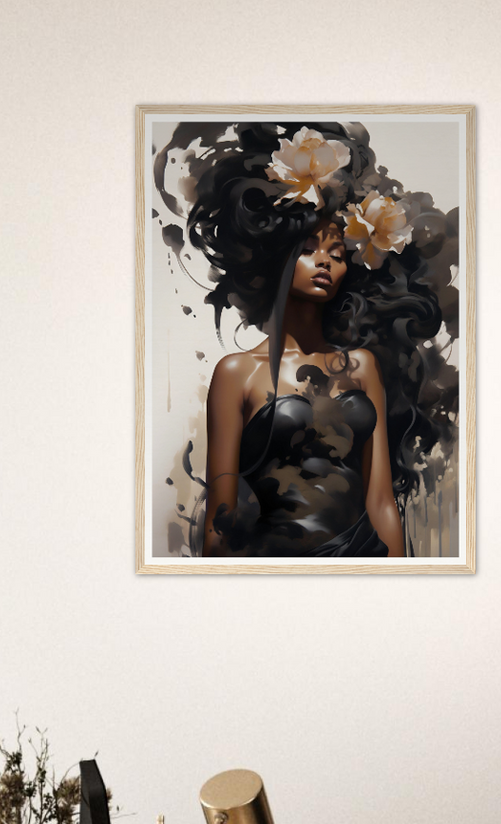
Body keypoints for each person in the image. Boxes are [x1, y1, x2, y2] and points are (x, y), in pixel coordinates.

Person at [153, 120, 458, 561]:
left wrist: (399, 584)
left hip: (361, 558)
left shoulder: (362, 366)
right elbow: (222, 511)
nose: (326, 264)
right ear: (279, 254)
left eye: (337, 254)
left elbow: (380, 501)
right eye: (310, 249)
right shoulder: (237, 373)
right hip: (271, 569)